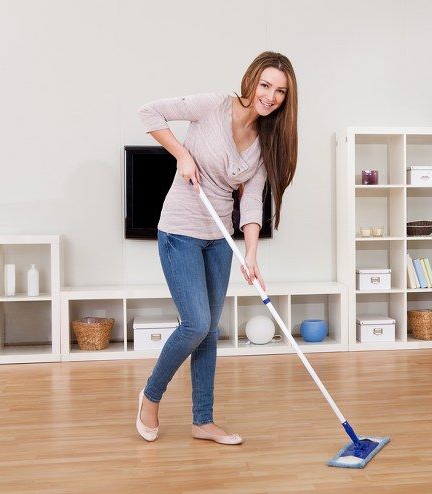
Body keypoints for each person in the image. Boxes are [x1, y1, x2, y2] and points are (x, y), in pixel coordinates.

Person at [134, 51, 298, 444]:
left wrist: (252, 254)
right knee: (196, 323)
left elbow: (254, 199)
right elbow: (148, 113)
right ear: (252, 80)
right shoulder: (214, 106)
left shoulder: (265, 141)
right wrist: (183, 154)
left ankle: (202, 420)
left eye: (279, 91)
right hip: (179, 231)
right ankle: (150, 396)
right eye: (265, 85)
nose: (270, 96)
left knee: (208, 332)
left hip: (220, 239)